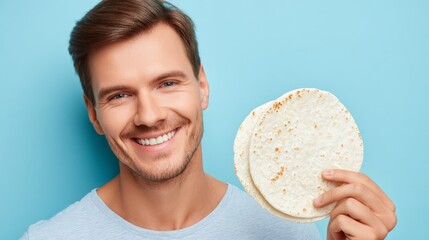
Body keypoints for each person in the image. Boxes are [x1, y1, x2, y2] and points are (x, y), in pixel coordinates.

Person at [20, 0, 397, 239]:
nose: (149, 116)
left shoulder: (287, 233)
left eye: (167, 83)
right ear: (94, 114)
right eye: (119, 95)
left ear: (202, 85)